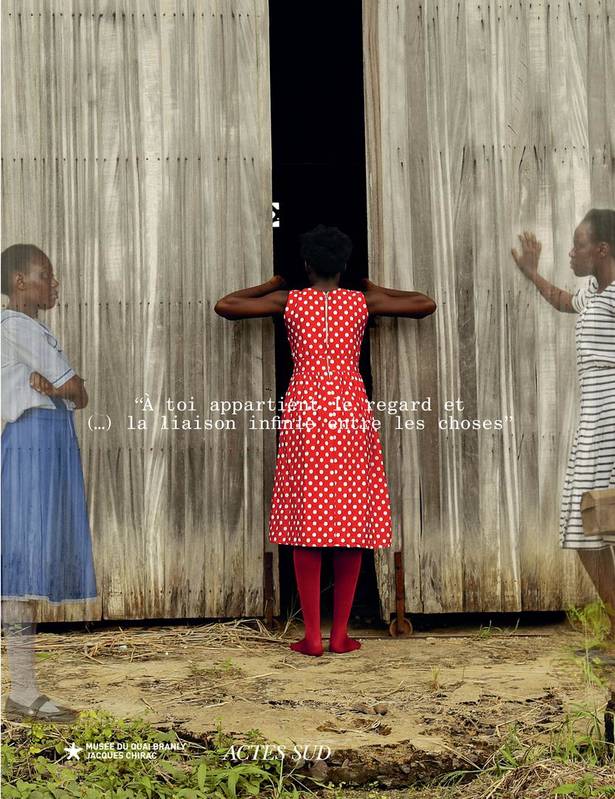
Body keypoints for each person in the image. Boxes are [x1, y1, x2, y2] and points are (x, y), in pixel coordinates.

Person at [215, 224, 436, 656]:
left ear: (307, 265)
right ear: (344, 266)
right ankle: (340, 636)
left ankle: (311, 637)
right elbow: (424, 304)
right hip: (350, 406)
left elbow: (226, 305)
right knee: (351, 516)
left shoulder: (289, 300)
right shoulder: (362, 301)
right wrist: (373, 285)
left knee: (305, 515)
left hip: (306, 407)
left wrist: (274, 282)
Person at [1, 244, 98, 721]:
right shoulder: (16, 327)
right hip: (31, 444)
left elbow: (80, 394)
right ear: (21, 281)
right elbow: (75, 386)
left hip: (49, 441)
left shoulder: (36, 329)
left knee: (29, 561)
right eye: (46, 275)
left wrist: (62, 387)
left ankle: (24, 688)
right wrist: (63, 386)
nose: (53, 283)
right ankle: (22, 690)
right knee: (21, 560)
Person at [512, 209, 615, 637]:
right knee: (588, 523)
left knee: (601, 518)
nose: (571, 252)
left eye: (579, 244)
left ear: (602, 249)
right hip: (593, 423)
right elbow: (562, 300)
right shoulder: (593, 291)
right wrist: (533, 273)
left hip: (612, 420)